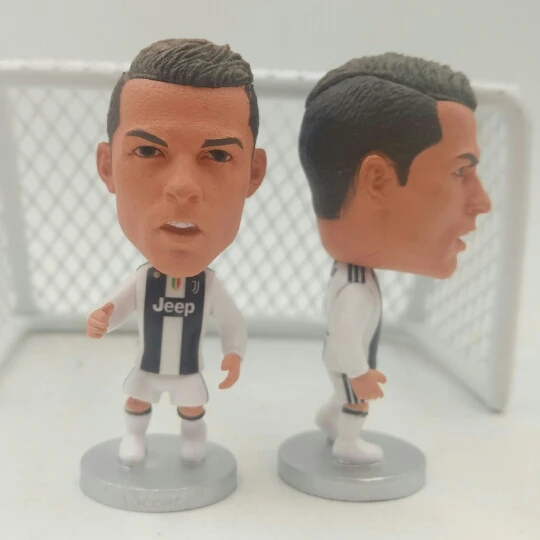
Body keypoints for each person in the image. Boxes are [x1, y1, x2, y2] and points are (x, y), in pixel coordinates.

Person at [298, 52, 491, 463]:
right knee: (355, 399)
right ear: (377, 180)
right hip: (349, 362)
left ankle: (330, 418)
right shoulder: (354, 287)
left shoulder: (352, 277)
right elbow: (346, 334)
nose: (482, 202)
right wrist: (361, 373)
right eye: (460, 172)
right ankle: (347, 440)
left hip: (343, 359)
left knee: (344, 393)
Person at [86, 38, 267, 466]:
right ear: (107, 166)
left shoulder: (208, 287)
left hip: (187, 368)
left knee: (192, 408)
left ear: (253, 174)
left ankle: (192, 445)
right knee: (136, 401)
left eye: (218, 154)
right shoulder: (143, 280)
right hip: (148, 365)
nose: (183, 188)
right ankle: (134, 440)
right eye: (149, 150)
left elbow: (231, 322)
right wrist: (104, 317)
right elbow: (120, 307)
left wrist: (234, 352)